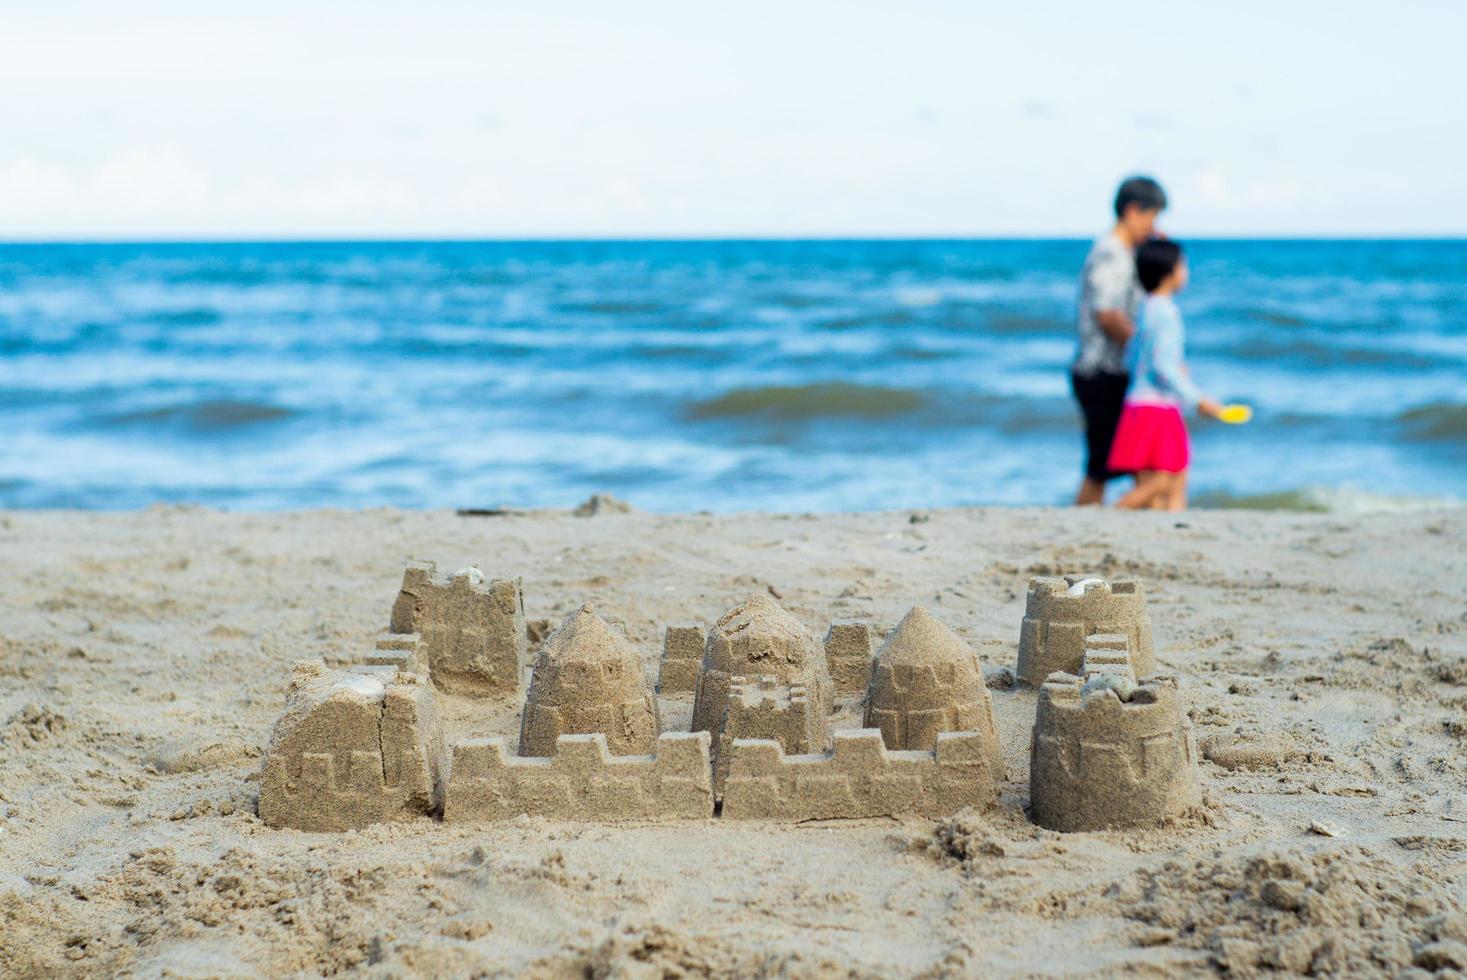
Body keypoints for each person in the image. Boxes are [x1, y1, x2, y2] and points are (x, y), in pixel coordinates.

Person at [1071, 175, 1167, 505]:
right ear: (1132, 210)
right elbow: (1108, 314)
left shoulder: (1127, 252)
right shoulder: (1111, 252)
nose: (1153, 225)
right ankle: (1082, 521)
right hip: (1101, 370)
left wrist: (1154, 253)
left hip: (1111, 370)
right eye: (1152, 216)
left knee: (1127, 460)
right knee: (1102, 464)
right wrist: (1147, 351)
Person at [1107, 239, 1223, 511]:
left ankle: (1146, 524)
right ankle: (1113, 515)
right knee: (1171, 479)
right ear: (1169, 273)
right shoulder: (1167, 312)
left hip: (1137, 404)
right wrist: (1197, 399)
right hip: (1158, 406)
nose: (1185, 271)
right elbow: (1163, 366)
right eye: (1183, 265)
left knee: (1152, 484)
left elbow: (1133, 357)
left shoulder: (1144, 308)